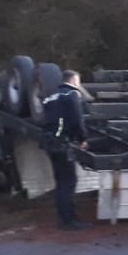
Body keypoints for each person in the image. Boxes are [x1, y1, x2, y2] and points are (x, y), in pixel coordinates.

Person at [40, 69, 93, 230]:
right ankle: (69, 221)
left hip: (49, 142)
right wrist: (83, 138)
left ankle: (63, 218)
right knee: (69, 181)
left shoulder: (50, 96)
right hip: (62, 143)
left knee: (60, 181)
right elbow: (77, 119)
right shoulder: (71, 94)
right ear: (74, 80)